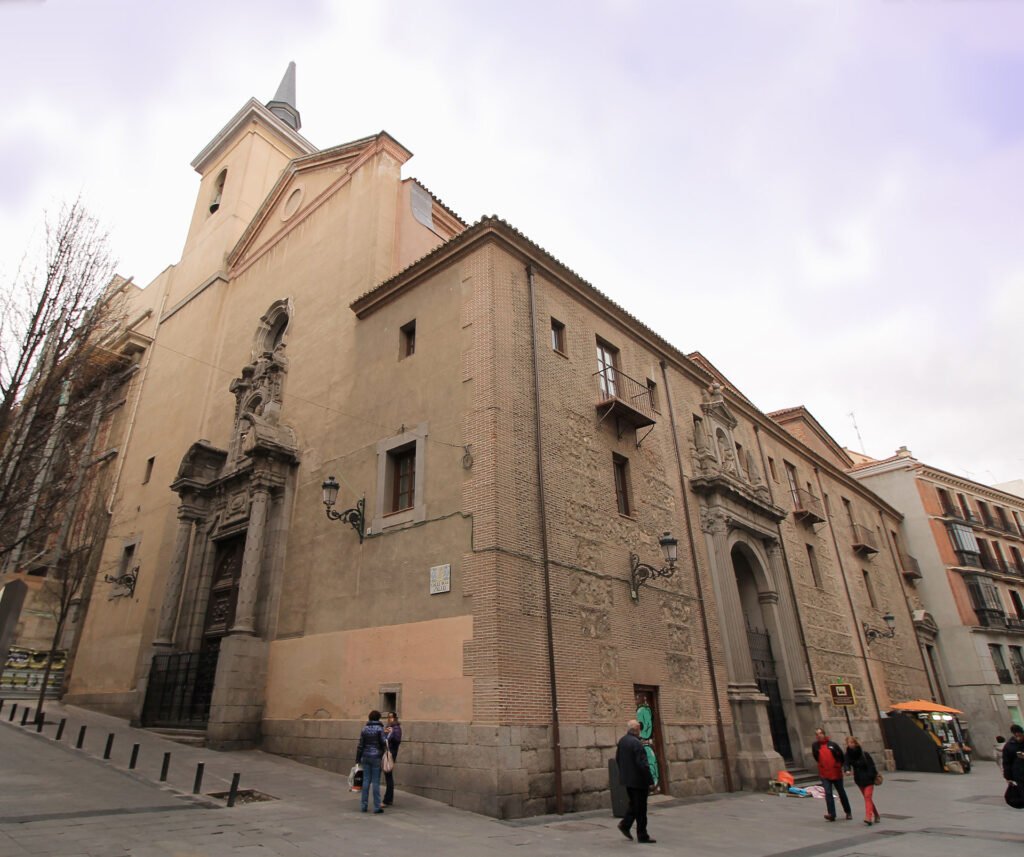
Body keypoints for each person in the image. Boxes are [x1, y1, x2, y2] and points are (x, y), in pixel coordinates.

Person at [616, 719, 656, 844]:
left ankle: (625, 825)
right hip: (639, 781)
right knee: (641, 809)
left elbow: (618, 759)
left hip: (628, 780)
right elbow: (642, 764)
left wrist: (624, 774)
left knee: (634, 804)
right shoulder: (637, 743)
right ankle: (642, 835)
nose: (640, 731)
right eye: (639, 728)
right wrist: (650, 781)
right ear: (637, 730)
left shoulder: (622, 741)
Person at [811, 727, 852, 821]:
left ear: (824, 734)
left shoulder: (833, 745)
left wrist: (839, 766)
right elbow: (816, 757)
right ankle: (831, 814)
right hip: (824, 773)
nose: (819, 735)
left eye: (820, 733)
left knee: (841, 792)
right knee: (828, 793)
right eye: (817, 734)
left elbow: (841, 756)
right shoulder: (815, 746)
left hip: (836, 772)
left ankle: (848, 812)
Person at [843, 736, 881, 825]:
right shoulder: (848, 755)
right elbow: (846, 763)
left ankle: (868, 817)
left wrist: (872, 776)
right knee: (868, 798)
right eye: (848, 743)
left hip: (868, 779)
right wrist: (847, 770)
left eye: (852, 742)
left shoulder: (864, 754)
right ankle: (876, 814)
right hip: (859, 779)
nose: (850, 744)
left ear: (855, 743)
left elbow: (872, 766)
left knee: (867, 797)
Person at [355, 709, 387, 813]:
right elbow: (383, 742)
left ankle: (363, 806)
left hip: (365, 756)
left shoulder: (364, 729)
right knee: (376, 782)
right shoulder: (380, 729)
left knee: (366, 781)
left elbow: (360, 745)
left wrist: (357, 759)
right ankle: (377, 806)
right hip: (376, 757)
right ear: (378, 718)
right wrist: (387, 736)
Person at [383, 712, 403, 807]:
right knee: (388, 776)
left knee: (388, 776)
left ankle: (387, 799)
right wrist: (385, 732)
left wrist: (390, 733)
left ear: (395, 718)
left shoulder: (396, 728)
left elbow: (397, 740)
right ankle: (388, 799)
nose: (389, 719)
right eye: (388, 717)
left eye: (391, 717)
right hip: (387, 753)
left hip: (390, 754)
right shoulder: (389, 727)